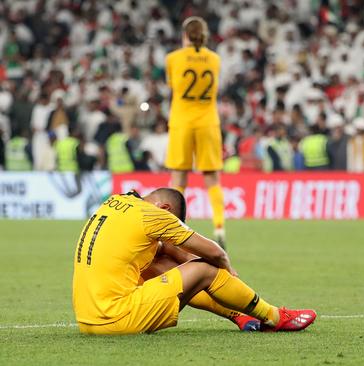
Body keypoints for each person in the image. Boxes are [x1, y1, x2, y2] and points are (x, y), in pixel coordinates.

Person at [72, 188, 317, 335]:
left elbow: (168, 251)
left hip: (88, 319)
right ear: (164, 208)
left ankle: (240, 315)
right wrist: (227, 269)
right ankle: (273, 317)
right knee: (206, 268)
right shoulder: (154, 215)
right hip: (117, 319)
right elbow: (215, 252)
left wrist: (174, 253)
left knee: (160, 261)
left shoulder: (115, 202)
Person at [165, 16, 227, 245]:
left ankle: (174, 228)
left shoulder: (173, 59)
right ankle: (219, 228)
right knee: (212, 179)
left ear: (184, 35)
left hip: (182, 121)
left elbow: (173, 87)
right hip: (208, 121)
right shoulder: (215, 59)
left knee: (179, 177)